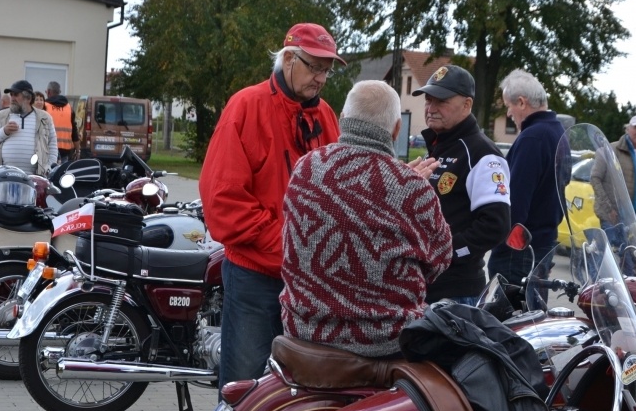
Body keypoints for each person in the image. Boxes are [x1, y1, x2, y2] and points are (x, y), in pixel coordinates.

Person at [200, 23, 344, 387]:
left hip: (309, 281)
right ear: (289, 59)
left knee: (305, 389)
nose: (321, 78)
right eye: (314, 67)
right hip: (256, 276)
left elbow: (339, 189)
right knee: (243, 389)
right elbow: (222, 201)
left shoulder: (325, 116)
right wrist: (290, 241)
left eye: (327, 70)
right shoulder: (246, 107)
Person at [280, 81, 453, 357]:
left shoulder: (305, 167)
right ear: (397, 129)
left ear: (342, 120)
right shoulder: (412, 188)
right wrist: (405, 187)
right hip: (383, 345)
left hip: (304, 334)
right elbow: (440, 260)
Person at [412, 65, 511, 305]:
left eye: (442, 101)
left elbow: (495, 226)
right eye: (428, 99)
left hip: (456, 292)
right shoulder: (439, 146)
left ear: (467, 105)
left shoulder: (482, 153)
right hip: (426, 286)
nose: (431, 108)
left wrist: (447, 253)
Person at [487, 69, 565, 301]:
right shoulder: (558, 132)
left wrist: (499, 239)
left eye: (508, 106)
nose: (508, 113)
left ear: (521, 102)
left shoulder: (533, 137)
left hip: (518, 250)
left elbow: (516, 202)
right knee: (533, 320)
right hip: (543, 244)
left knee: (509, 325)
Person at [590, 115, 636, 276]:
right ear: (628, 129)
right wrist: (608, 209)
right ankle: (597, 290)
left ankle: (628, 295)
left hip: (635, 216)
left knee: (630, 259)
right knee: (606, 257)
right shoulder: (609, 149)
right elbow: (595, 178)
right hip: (613, 215)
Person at [0, 80, 58, 176]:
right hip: (4, 176)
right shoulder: (1, 116)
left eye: (16, 95)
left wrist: (49, 166)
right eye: (11, 95)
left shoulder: (44, 118)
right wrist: (4, 131)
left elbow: (52, 145)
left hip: (35, 178)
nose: (12, 98)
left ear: (28, 98)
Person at [44, 81, 79, 163]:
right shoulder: (69, 107)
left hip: (48, 148)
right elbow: (74, 131)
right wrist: (78, 150)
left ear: (48, 92)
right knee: (61, 173)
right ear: (59, 92)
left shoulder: (44, 106)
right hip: (65, 150)